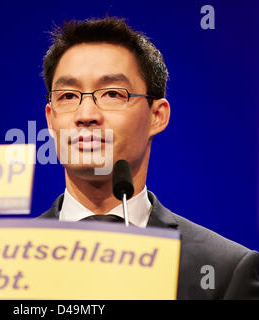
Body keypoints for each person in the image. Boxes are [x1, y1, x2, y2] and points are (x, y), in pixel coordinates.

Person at [37, 16, 259, 299]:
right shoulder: (0, 264)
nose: (86, 115)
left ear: (157, 116)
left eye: (112, 94)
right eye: (68, 96)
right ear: (50, 118)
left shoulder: (225, 270)